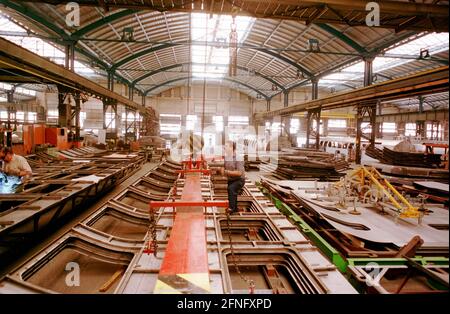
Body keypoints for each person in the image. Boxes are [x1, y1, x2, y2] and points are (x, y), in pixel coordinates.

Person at [219, 141, 245, 214]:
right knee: (232, 193)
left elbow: (239, 173)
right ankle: (235, 208)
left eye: (226, 146)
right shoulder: (227, 157)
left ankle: (232, 208)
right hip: (231, 179)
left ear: (231, 147)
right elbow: (223, 167)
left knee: (231, 189)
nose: (224, 148)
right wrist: (221, 170)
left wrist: (226, 172)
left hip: (239, 180)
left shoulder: (238, 158)